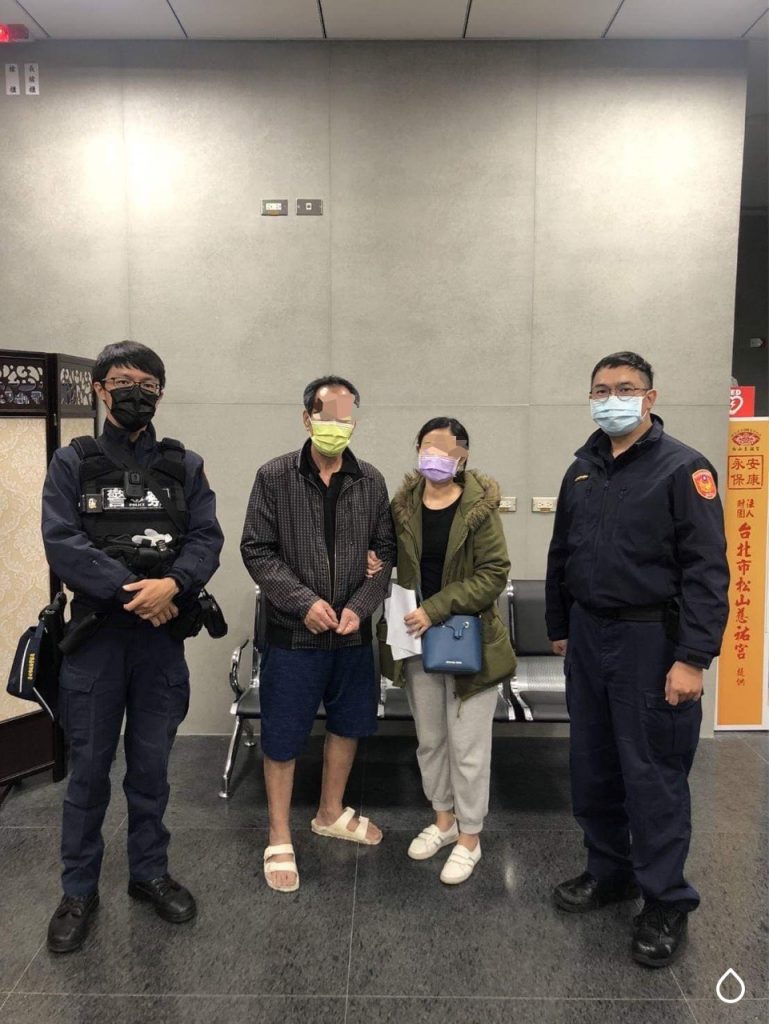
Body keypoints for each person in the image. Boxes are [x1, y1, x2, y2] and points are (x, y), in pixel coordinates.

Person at [545, 351, 729, 967]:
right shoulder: (581, 470)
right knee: (592, 765)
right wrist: (559, 626)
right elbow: (561, 553)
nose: (611, 398)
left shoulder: (684, 468)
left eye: (625, 388)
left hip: (652, 643)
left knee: (652, 774)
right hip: (587, 638)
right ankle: (610, 870)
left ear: (650, 397)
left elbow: (707, 571)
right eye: (601, 389)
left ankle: (666, 899)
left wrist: (693, 657)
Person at [42, 341, 224, 953]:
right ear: (99, 389)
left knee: (150, 769)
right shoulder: (73, 462)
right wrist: (138, 592)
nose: (135, 393)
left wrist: (174, 584)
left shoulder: (184, 465)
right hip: (96, 642)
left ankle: (149, 872)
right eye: (122, 381)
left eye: (147, 384)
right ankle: (78, 890)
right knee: (89, 772)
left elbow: (206, 537)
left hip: (159, 644)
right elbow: (62, 542)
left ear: (160, 393)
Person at [240, 375, 395, 893]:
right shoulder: (274, 476)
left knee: (348, 723)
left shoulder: (370, 481)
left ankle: (330, 811)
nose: (336, 426)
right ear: (307, 418)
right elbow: (256, 549)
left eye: (345, 417)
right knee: (284, 734)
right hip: (293, 635)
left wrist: (360, 607)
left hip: (351, 635)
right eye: (327, 416)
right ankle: (279, 833)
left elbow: (385, 552)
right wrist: (303, 603)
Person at [377, 417, 516, 884]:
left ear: (463, 456)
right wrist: (376, 559)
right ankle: (443, 821)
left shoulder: (479, 508)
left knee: (468, 748)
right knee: (431, 740)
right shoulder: (403, 506)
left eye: (444, 449)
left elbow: (493, 573)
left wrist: (436, 608)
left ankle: (470, 837)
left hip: (468, 640)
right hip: (416, 639)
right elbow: (393, 556)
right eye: (426, 446)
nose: (434, 456)